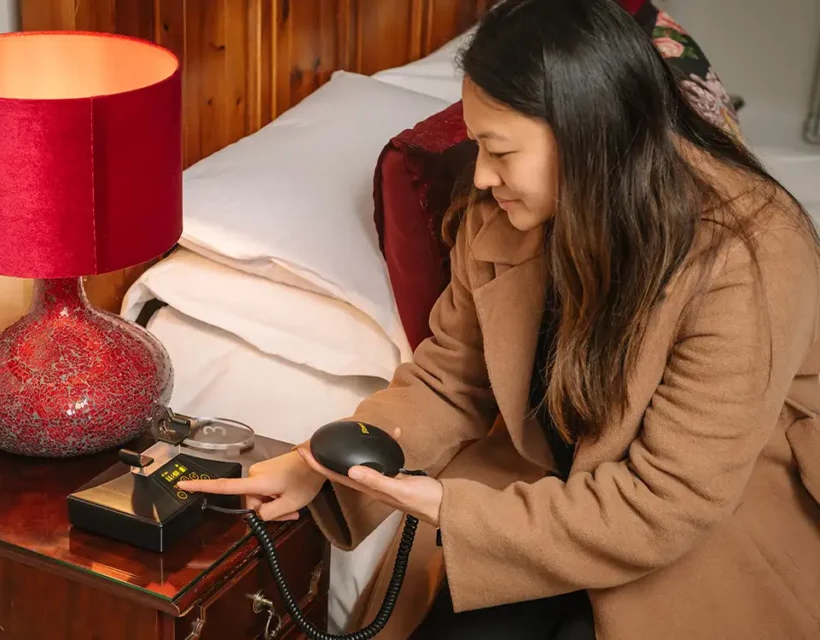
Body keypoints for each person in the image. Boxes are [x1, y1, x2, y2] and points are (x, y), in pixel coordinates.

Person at [178, 0, 820, 638]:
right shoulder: (499, 217)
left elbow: (665, 506)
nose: (482, 175)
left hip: (709, 517)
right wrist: (315, 468)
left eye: (501, 151)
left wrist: (445, 507)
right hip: (542, 498)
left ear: (589, 139)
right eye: (478, 145)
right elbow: (449, 380)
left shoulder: (752, 253)